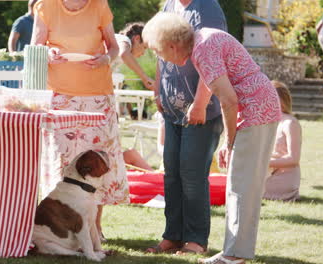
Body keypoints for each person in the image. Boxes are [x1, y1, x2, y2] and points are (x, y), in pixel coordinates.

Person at [142, 12, 281, 264]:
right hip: (259, 107)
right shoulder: (202, 41)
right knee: (241, 186)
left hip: (255, 111)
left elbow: (229, 100)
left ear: (172, 46)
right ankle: (235, 252)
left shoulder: (202, 50)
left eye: (159, 51)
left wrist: (229, 141)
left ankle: (234, 255)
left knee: (241, 186)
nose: (160, 58)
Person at [31, 0, 127, 241]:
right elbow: (35, 48)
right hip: (60, 96)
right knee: (63, 159)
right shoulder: (46, 6)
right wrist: (48, 54)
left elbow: (114, 48)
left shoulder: (100, 6)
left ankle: (96, 228)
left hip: (97, 95)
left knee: (98, 160)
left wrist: (106, 59)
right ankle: (63, 227)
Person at [145, 0, 227, 255]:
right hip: (173, 109)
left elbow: (215, 57)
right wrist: (159, 89)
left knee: (192, 175)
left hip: (201, 110)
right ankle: (173, 236)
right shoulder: (169, 5)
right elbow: (160, 52)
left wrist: (201, 102)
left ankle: (196, 240)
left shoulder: (207, 8)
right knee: (172, 173)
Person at [263, 81, 302, 202]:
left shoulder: (290, 123)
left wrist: (264, 162)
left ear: (282, 101)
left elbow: (294, 159)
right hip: (269, 173)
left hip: (284, 177)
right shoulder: (269, 122)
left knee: (246, 189)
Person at [113, 22, 155, 91]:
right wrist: (145, 78)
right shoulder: (125, 40)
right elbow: (124, 54)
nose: (143, 53)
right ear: (137, 39)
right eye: (144, 47)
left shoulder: (119, 44)